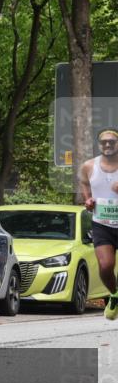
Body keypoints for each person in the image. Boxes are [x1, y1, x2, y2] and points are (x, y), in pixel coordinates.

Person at [79, 128, 118, 321]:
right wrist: (88, 200)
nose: (108, 145)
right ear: (99, 145)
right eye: (104, 142)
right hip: (102, 223)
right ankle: (115, 295)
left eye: (112, 141)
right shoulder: (88, 166)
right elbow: (84, 183)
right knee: (105, 265)